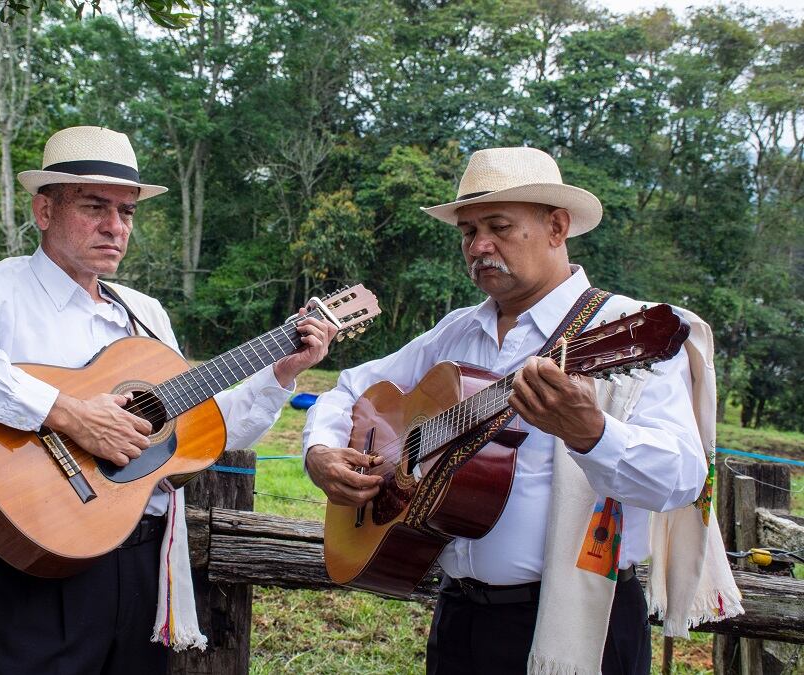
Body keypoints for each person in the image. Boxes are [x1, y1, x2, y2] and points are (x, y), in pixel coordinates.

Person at [0, 125, 337, 674]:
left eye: (127, 211)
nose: (115, 226)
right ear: (44, 210)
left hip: (146, 563)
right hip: (40, 561)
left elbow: (196, 435)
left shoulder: (145, 313)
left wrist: (279, 374)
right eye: (94, 206)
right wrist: (71, 414)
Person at [302, 147, 742, 675]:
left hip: (581, 625)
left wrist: (594, 434)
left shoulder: (627, 328)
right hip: (458, 617)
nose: (479, 246)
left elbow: (682, 479)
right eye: (468, 231)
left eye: (500, 227)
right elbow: (349, 387)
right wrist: (321, 450)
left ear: (557, 227)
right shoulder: (456, 331)